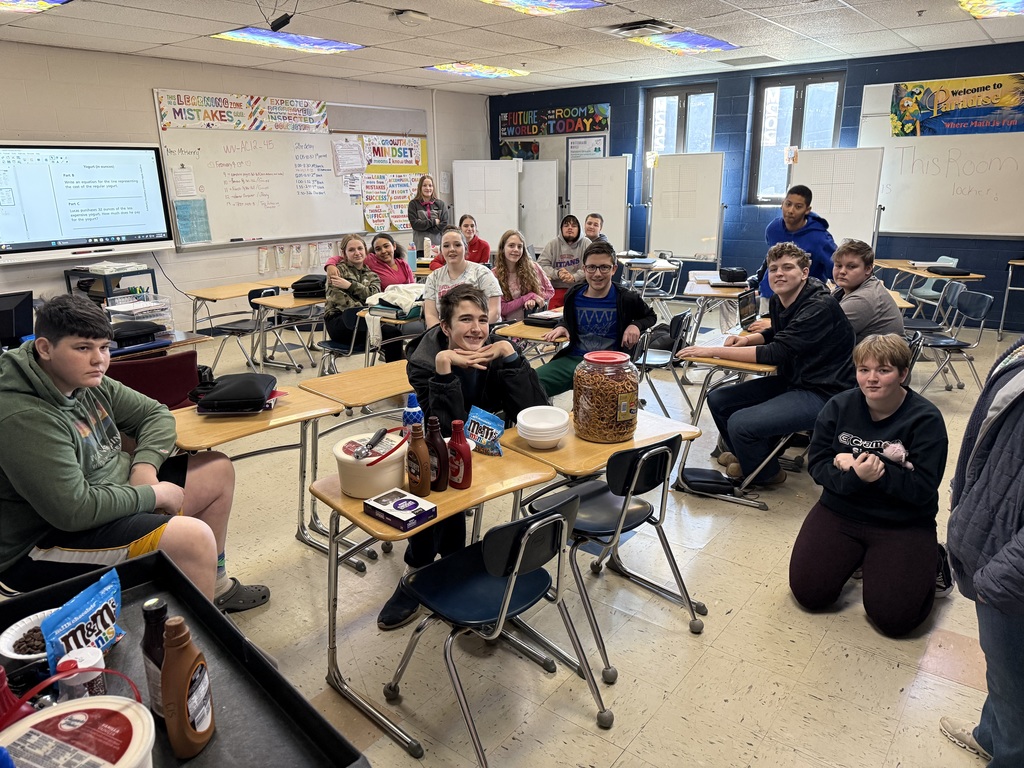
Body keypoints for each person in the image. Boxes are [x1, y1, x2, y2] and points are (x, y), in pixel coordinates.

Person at [0, 294, 269, 612]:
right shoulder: (22, 414)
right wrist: (153, 496)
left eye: (103, 347)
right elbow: (74, 511)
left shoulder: (84, 379)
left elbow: (155, 414)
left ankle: (215, 588)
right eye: (83, 348)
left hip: (113, 498)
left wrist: (145, 468)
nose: (99, 359)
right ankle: (192, 651)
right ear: (44, 348)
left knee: (217, 469)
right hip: (44, 544)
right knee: (192, 539)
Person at [377, 284, 549, 629]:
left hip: (487, 451)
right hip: (442, 451)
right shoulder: (425, 362)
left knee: (461, 487)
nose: (476, 329)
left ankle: (454, 567)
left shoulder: (495, 350)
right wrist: (444, 367)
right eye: (465, 319)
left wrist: (511, 356)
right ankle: (421, 569)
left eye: (483, 320)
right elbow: (441, 432)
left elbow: (536, 411)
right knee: (435, 481)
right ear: (445, 327)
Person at [789, 334, 949, 637]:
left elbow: (923, 487)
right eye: (864, 370)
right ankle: (860, 557)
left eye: (884, 370)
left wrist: (878, 473)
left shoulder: (925, 419)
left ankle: (934, 558)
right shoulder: (839, 406)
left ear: (903, 374)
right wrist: (852, 477)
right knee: (810, 595)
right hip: (841, 510)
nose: (871, 379)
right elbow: (819, 464)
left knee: (896, 621)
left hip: (902, 521)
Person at [678, 242, 856, 486]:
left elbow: (777, 352)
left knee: (741, 423)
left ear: (804, 273)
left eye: (787, 267)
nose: (779, 273)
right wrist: (749, 339)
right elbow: (779, 333)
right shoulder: (781, 299)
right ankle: (752, 459)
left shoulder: (819, 306)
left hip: (826, 392)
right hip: (797, 380)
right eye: (773, 269)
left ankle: (766, 474)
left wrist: (713, 351)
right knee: (719, 399)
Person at [940, 336, 1024, 766]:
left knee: (1016, 681)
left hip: (1012, 570)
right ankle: (991, 736)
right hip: (997, 538)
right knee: (1004, 672)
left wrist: (1005, 573)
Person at [536, 241, 656, 397]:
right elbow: (567, 318)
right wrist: (563, 325)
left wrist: (635, 325)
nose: (597, 274)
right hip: (575, 358)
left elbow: (651, 316)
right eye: (591, 267)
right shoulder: (574, 294)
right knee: (527, 383)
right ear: (584, 269)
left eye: (604, 267)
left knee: (597, 409)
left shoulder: (626, 298)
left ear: (614, 269)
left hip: (611, 365)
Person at [752, 185, 837, 301]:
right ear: (782, 204)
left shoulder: (820, 238)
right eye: (788, 204)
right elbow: (770, 260)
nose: (791, 210)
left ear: (807, 210)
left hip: (804, 299)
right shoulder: (773, 229)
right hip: (770, 295)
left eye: (798, 207)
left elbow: (836, 269)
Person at [422, 226, 502, 329]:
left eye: (457, 245)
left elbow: (494, 312)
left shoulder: (482, 274)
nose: (452, 249)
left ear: (465, 248)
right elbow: (431, 315)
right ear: (441, 251)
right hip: (446, 336)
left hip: (481, 332)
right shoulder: (433, 278)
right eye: (446, 246)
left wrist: (471, 330)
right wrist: (444, 335)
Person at [831, 239, 904, 343]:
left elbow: (821, 335)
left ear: (868, 269)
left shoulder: (864, 299)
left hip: (880, 358)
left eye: (851, 267)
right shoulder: (845, 290)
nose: (842, 271)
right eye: (838, 266)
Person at [324, 233, 381, 349]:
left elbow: (375, 296)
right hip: (340, 320)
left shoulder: (372, 275)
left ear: (365, 250)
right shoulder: (337, 271)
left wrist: (350, 286)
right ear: (344, 253)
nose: (357, 253)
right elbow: (339, 299)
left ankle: (396, 367)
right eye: (351, 250)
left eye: (360, 248)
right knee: (380, 331)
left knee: (394, 333)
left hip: (365, 319)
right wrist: (363, 308)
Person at [492, 228, 554, 323]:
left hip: (533, 323)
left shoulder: (534, 268)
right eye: (511, 246)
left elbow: (550, 291)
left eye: (519, 246)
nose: (516, 250)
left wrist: (535, 299)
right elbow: (502, 309)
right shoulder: (494, 275)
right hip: (507, 327)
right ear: (502, 248)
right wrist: (528, 297)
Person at [538, 214, 591, 310]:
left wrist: (574, 277)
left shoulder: (586, 243)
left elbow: (590, 266)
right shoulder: (552, 244)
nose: (570, 228)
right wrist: (557, 273)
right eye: (566, 226)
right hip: (556, 288)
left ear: (579, 229)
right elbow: (541, 265)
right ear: (561, 229)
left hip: (579, 288)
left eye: (574, 226)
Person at [407, 174, 448, 255]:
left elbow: (444, 224)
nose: (428, 188)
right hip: (420, 247)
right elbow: (415, 224)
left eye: (430, 185)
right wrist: (433, 222)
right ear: (420, 188)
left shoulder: (440, 204)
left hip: (437, 247)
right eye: (424, 185)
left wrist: (424, 226)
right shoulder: (413, 204)